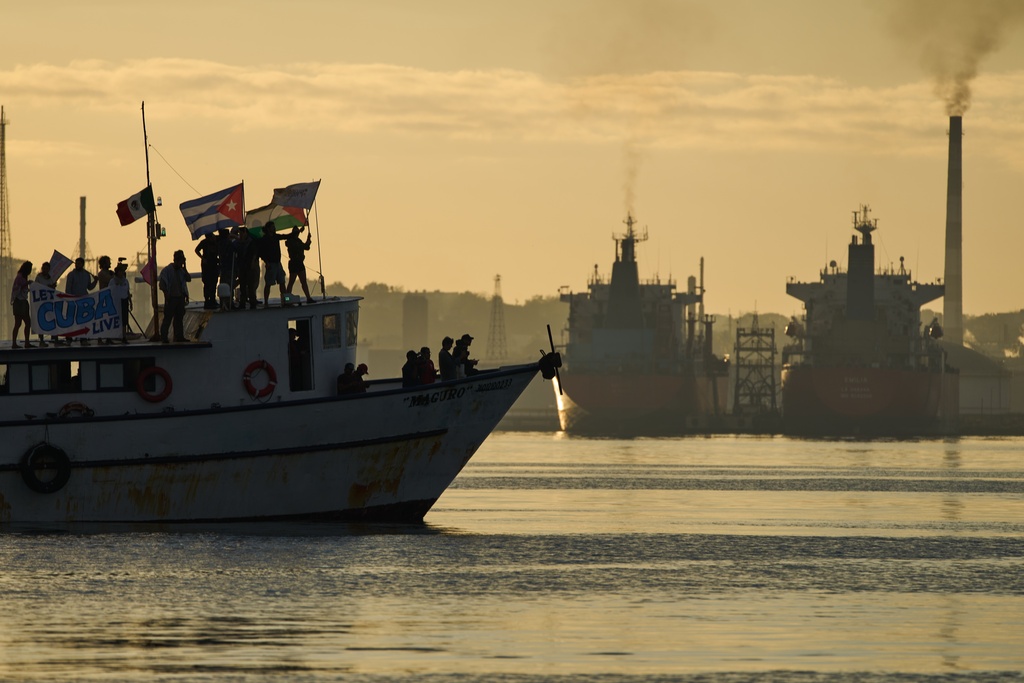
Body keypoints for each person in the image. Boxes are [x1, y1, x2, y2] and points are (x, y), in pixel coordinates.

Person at [158, 250, 191, 343]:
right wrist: (166, 294)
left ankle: (179, 336)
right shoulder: (167, 270)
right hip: (171, 298)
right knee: (168, 318)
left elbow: (188, 279)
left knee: (179, 319)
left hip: (180, 298)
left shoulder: (181, 271)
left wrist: (185, 268)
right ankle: (164, 337)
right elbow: (162, 284)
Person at [64, 258, 97, 344]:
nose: (77, 265)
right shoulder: (71, 275)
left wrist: (96, 281)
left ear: (82, 264)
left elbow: (89, 287)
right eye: (76, 263)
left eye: (79, 263)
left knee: (83, 320)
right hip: (73, 301)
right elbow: (68, 289)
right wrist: (70, 299)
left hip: (83, 301)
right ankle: (68, 339)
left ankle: (83, 339)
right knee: (70, 320)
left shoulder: (86, 274)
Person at [258, 221, 289, 306]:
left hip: (278, 263)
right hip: (270, 264)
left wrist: (294, 233)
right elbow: (262, 253)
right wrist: (267, 262)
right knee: (268, 284)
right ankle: (266, 302)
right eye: (272, 227)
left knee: (282, 283)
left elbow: (285, 236)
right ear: (268, 229)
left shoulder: (276, 237)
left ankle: (286, 300)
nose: (274, 228)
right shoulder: (264, 239)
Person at [285, 225, 314, 304]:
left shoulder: (298, 240)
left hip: (299, 263)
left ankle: (308, 298)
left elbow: (306, 247)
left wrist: (308, 239)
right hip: (294, 263)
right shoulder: (290, 241)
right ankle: (287, 299)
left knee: (303, 281)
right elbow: (302, 246)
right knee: (291, 282)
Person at [195, 231, 220, 309]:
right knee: (207, 283)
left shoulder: (216, 241)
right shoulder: (204, 242)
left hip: (214, 265)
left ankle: (212, 300)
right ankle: (207, 301)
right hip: (207, 266)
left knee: (213, 283)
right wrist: (203, 258)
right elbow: (196, 250)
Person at [34, 262, 57, 346]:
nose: (45, 270)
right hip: (41, 303)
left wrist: (53, 286)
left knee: (52, 319)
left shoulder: (51, 278)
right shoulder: (39, 278)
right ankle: (41, 339)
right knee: (41, 320)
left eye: (46, 269)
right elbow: (36, 287)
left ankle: (54, 337)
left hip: (49, 302)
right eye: (43, 268)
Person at [10, 261, 33, 348]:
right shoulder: (20, 277)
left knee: (20, 323)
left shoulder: (22, 277)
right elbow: (18, 288)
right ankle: (17, 343)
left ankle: (23, 342)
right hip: (20, 302)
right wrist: (27, 284)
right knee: (23, 323)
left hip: (21, 302)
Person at [108, 261, 132, 344]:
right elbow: (109, 292)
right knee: (114, 320)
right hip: (115, 302)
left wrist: (130, 302)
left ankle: (124, 337)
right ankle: (110, 337)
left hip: (124, 301)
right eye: (120, 271)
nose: (121, 273)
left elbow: (127, 292)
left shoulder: (125, 281)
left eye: (122, 271)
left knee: (124, 321)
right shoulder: (112, 281)